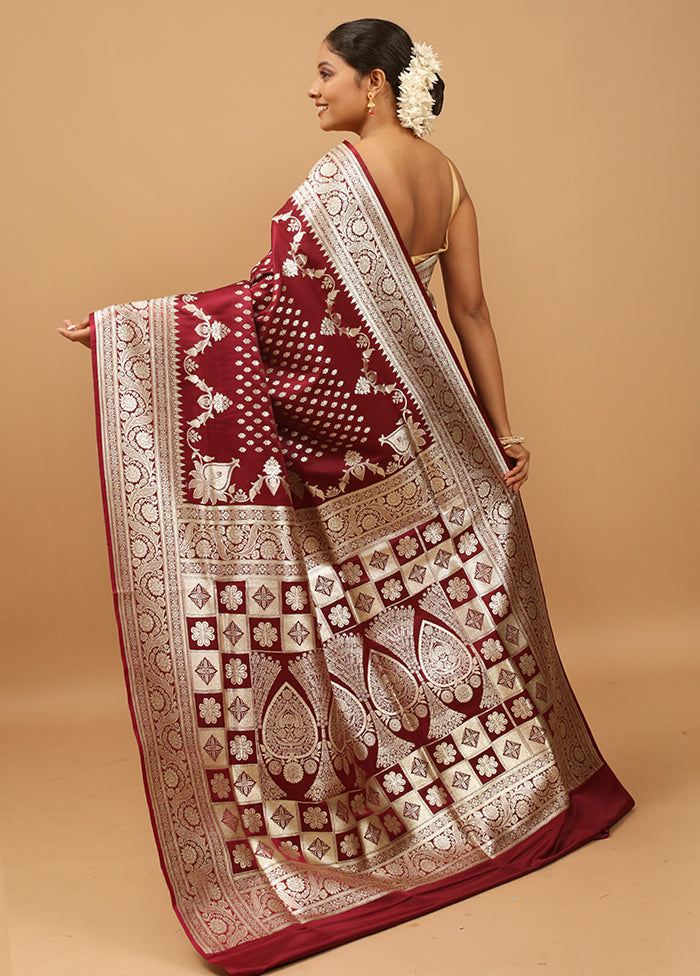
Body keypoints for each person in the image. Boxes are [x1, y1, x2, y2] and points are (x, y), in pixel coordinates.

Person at [59, 19, 632, 976]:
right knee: (454, 618)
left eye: (325, 74)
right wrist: (500, 436)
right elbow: (472, 313)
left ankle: (400, 821)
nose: (312, 91)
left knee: (358, 620)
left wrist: (132, 335)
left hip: (354, 447)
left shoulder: (339, 185)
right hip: (429, 440)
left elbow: (269, 312)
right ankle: (503, 792)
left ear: (374, 82)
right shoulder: (448, 181)